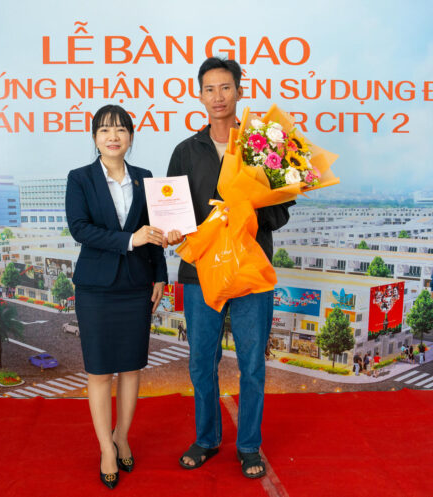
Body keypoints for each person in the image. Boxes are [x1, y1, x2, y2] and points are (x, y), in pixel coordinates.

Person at [165, 57, 293, 479]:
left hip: (250, 270)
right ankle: (207, 439)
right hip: (201, 272)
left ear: (239, 90)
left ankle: (249, 445)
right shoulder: (185, 151)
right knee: (202, 361)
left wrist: (246, 210)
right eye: (209, 89)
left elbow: (281, 212)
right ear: (199, 95)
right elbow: (173, 213)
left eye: (225, 87)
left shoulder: (263, 148)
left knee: (252, 363)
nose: (217, 96)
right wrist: (173, 230)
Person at [65, 104, 168, 489]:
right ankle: (105, 449)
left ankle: (122, 436)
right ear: (95, 137)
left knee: (130, 368)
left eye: (121, 129)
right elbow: (80, 228)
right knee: (98, 371)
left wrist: (160, 275)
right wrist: (129, 239)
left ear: (130, 137)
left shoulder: (145, 178)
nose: (113, 136)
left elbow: (154, 232)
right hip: (95, 288)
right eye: (105, 130)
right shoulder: (80, 178)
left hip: (137, 285)